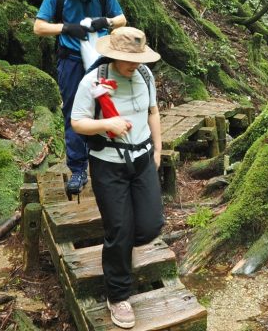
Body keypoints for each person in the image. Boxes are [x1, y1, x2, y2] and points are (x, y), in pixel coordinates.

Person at [71, 26, 163, 330]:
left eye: (136, 59)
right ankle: (118, 295)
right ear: (111, 54)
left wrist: (158, 151)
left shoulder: (145, 76)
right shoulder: (93, 80)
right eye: (127, 59)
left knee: (150, 226)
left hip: (143, 159)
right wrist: (107, 122)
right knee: (119, 229)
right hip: (108, 164)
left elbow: (153, 112)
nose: (132, 65)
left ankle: (119, 254)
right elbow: (77, 122)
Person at [34, 0, 126, 196]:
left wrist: (104, 22)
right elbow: (39, 27)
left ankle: (107, 161)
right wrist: (66, 28)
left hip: (101, 59)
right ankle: (77, 168)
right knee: (74, 112)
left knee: (105, 107)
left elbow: (121, 19)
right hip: (72, 61)